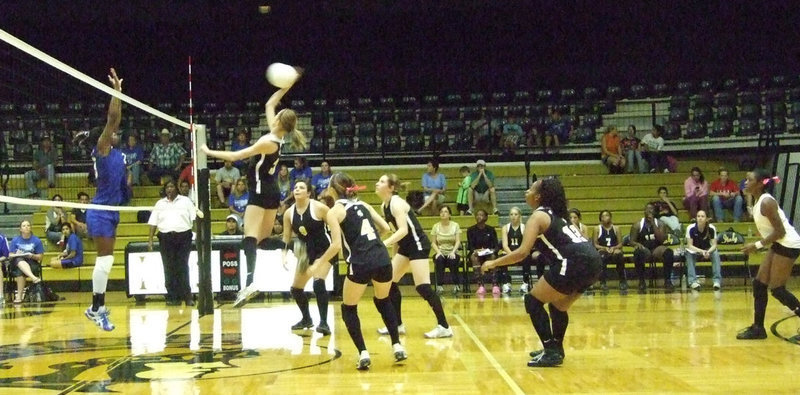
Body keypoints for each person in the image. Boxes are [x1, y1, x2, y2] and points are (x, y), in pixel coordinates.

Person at [201, 75, 305, 308]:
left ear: (279, 121)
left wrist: (208, 151)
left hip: (259, 192)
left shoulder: (268, 141)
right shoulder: (277, 137)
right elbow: (270, 104)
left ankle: (249, 284)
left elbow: (237, 156)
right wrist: (287, 85)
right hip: (272, 192)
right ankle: (294, 246)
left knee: (249, 239)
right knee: (262, 241)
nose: (274, 114)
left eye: (277, 114)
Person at [481, 178, 602, 367]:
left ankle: (551, 350)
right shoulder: (560, 215)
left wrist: (494, 263)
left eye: (530, 189)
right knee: (558, 305)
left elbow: (522, 253)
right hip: (594, 262)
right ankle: (555, 348)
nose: (526, 192)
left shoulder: (538, 216)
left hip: (573, 262)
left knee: (532, 300)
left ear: (538, 197)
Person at [308, 172, 406, 370]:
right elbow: (386, 228)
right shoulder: (364, 204)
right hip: (382, 258)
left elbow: (336, 245)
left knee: (348, 308)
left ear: (333, 189)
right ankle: (397, 345)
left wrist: (318, 264)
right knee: (383, 300)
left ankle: (363, 353)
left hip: (360, 262)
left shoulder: (335, 211)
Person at [375, 174, 453, 339]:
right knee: (389, 282)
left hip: (418, 244)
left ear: (391, 188)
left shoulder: (396, 203)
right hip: (406, 247)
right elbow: (397, 233)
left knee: (423, 287)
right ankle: (397, 325)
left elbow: (403, 230)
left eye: (381, 182)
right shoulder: (384, 206)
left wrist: (384, 243)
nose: (377, 184)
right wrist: (394, 256)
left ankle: (444, 326)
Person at [83, 68, 127, 331]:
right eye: (111, 132)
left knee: (107, 260)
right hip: (100, 210)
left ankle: (96, 308)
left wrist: (120, 94)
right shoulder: (102, 149)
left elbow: (116, 119)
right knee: (105, 260)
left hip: (112, 211)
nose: (115, 132)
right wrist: (116, 92)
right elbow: (112, 118)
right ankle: (96, 308)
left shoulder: (117, 153)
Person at [736, 170, 800, 340]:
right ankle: (758, 328)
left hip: (788, 244)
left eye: (749, 180)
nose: (745, 182)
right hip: (779, 243)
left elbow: (780, 231)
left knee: (778, 289)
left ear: (759, 184)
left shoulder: (766, 202)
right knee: (759, 284)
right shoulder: (758, 200)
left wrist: (756, 245)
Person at [281, 180, 334, 335]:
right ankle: (306, 319)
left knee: (318, 283)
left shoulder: (319, 208)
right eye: (295, 187)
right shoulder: (288, 213)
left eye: (301, 187)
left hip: (324, 250)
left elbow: (335, 226)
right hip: (307, 252)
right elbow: (286, 237)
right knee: (296, 289)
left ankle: (324, 323)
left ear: (309, 193)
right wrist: (283, 255)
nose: (297, 189)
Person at [147, 179, 196, 306]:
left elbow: (194, 219)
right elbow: (153, 223)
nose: (169, 189)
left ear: (176, 188)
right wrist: (150, 240)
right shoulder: (160, 204)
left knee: (182, 266)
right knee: (168, 267)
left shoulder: (186, 201)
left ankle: (187, 296)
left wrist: (196, 235)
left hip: (183, 236)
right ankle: (172, 297)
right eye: (167, 187)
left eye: (172, 186)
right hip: (166, 238)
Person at [630, 203, 676, 293]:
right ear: (644, 211)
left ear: (654, 211)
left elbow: (661, 239)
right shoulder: (637, 225)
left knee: (668, 252)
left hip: (657, 248)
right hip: (644, 249)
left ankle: (667, 280)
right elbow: (631, 241)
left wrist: (653, 224)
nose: (649, 211)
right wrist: (637, 244)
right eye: (647, 209)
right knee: (637, 253)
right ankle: (642, 281)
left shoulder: (660, 224)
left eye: (651, 209)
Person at [8, 220, 44, 304]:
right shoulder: (15, 240)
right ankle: (34, 278)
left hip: (32, 263)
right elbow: (10, 255)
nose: (26, 227)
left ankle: (19, 297)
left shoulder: (37, 240)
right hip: (17, 263)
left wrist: (32, 255)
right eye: (24, 226)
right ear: (20, 229)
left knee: (20, 271)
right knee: (19, 260)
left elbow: (40, 257)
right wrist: (17, 254)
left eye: (28, 225)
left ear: (31, 228)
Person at [685, 210, 721, 291]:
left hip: (708, 250)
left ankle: (717, 281)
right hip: (695, 250)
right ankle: (692, 281)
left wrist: (708, 252)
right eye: (698, 216)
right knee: (688, 253)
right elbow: (689, 245)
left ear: (706, 219)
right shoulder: (690, 228)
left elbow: (714, 245)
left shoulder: (711, 228)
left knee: (715, 253)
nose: (700, 218)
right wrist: (701, 251)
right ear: (696, 218)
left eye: (702, 216)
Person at [501, 207, 535, 294]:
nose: (513, 216)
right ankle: (506, 283)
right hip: (509, 252)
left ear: (520, 216)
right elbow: (505, 245)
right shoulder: (505, 228)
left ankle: (525, 283)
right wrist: (512, 255)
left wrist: (518, 254)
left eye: (516, 214)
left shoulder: (524, 227)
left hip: (521, 252)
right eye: (511, 214)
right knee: (502, 257)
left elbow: (526, 244)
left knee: (527, 257)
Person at [468, 209, 500, 295]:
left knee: (493, 257)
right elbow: (470, 246)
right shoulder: (470, 230)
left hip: (488, 253)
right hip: (477, 254)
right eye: (477, 215)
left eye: (481, 215)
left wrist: (491, 250)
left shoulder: (491, 229)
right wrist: (476, 251)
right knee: (473, 257)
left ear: (486, 217)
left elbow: (496, 246)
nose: (479, 217)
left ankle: (495, 284)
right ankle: (480, 285)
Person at [592, 210, 626, 292]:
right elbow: (595, 244)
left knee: (619, 255)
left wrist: (614, 248)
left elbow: (620, 244)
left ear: (610, 217)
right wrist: (604, 248)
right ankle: (603, 283)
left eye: (607, 215)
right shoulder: (597, 229)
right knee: (601, 256)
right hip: (603, 251)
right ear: (600, 218)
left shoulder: (616, 228)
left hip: (613, 250)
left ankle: (622, 281)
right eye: (603, 216)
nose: (605, 217)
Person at [431, 205, 462, 294]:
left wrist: (453, 252)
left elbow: (458, 241)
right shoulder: (435, 226)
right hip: (440, 252)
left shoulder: (455, 225)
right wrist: (438, 252)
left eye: (445, 212)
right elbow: (433, 243)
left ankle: (456, 285)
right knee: (439, 260)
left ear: (449, 214)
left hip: (452, 251)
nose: (443, 214)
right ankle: (439, 286)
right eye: (441, 212)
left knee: (452, 260)